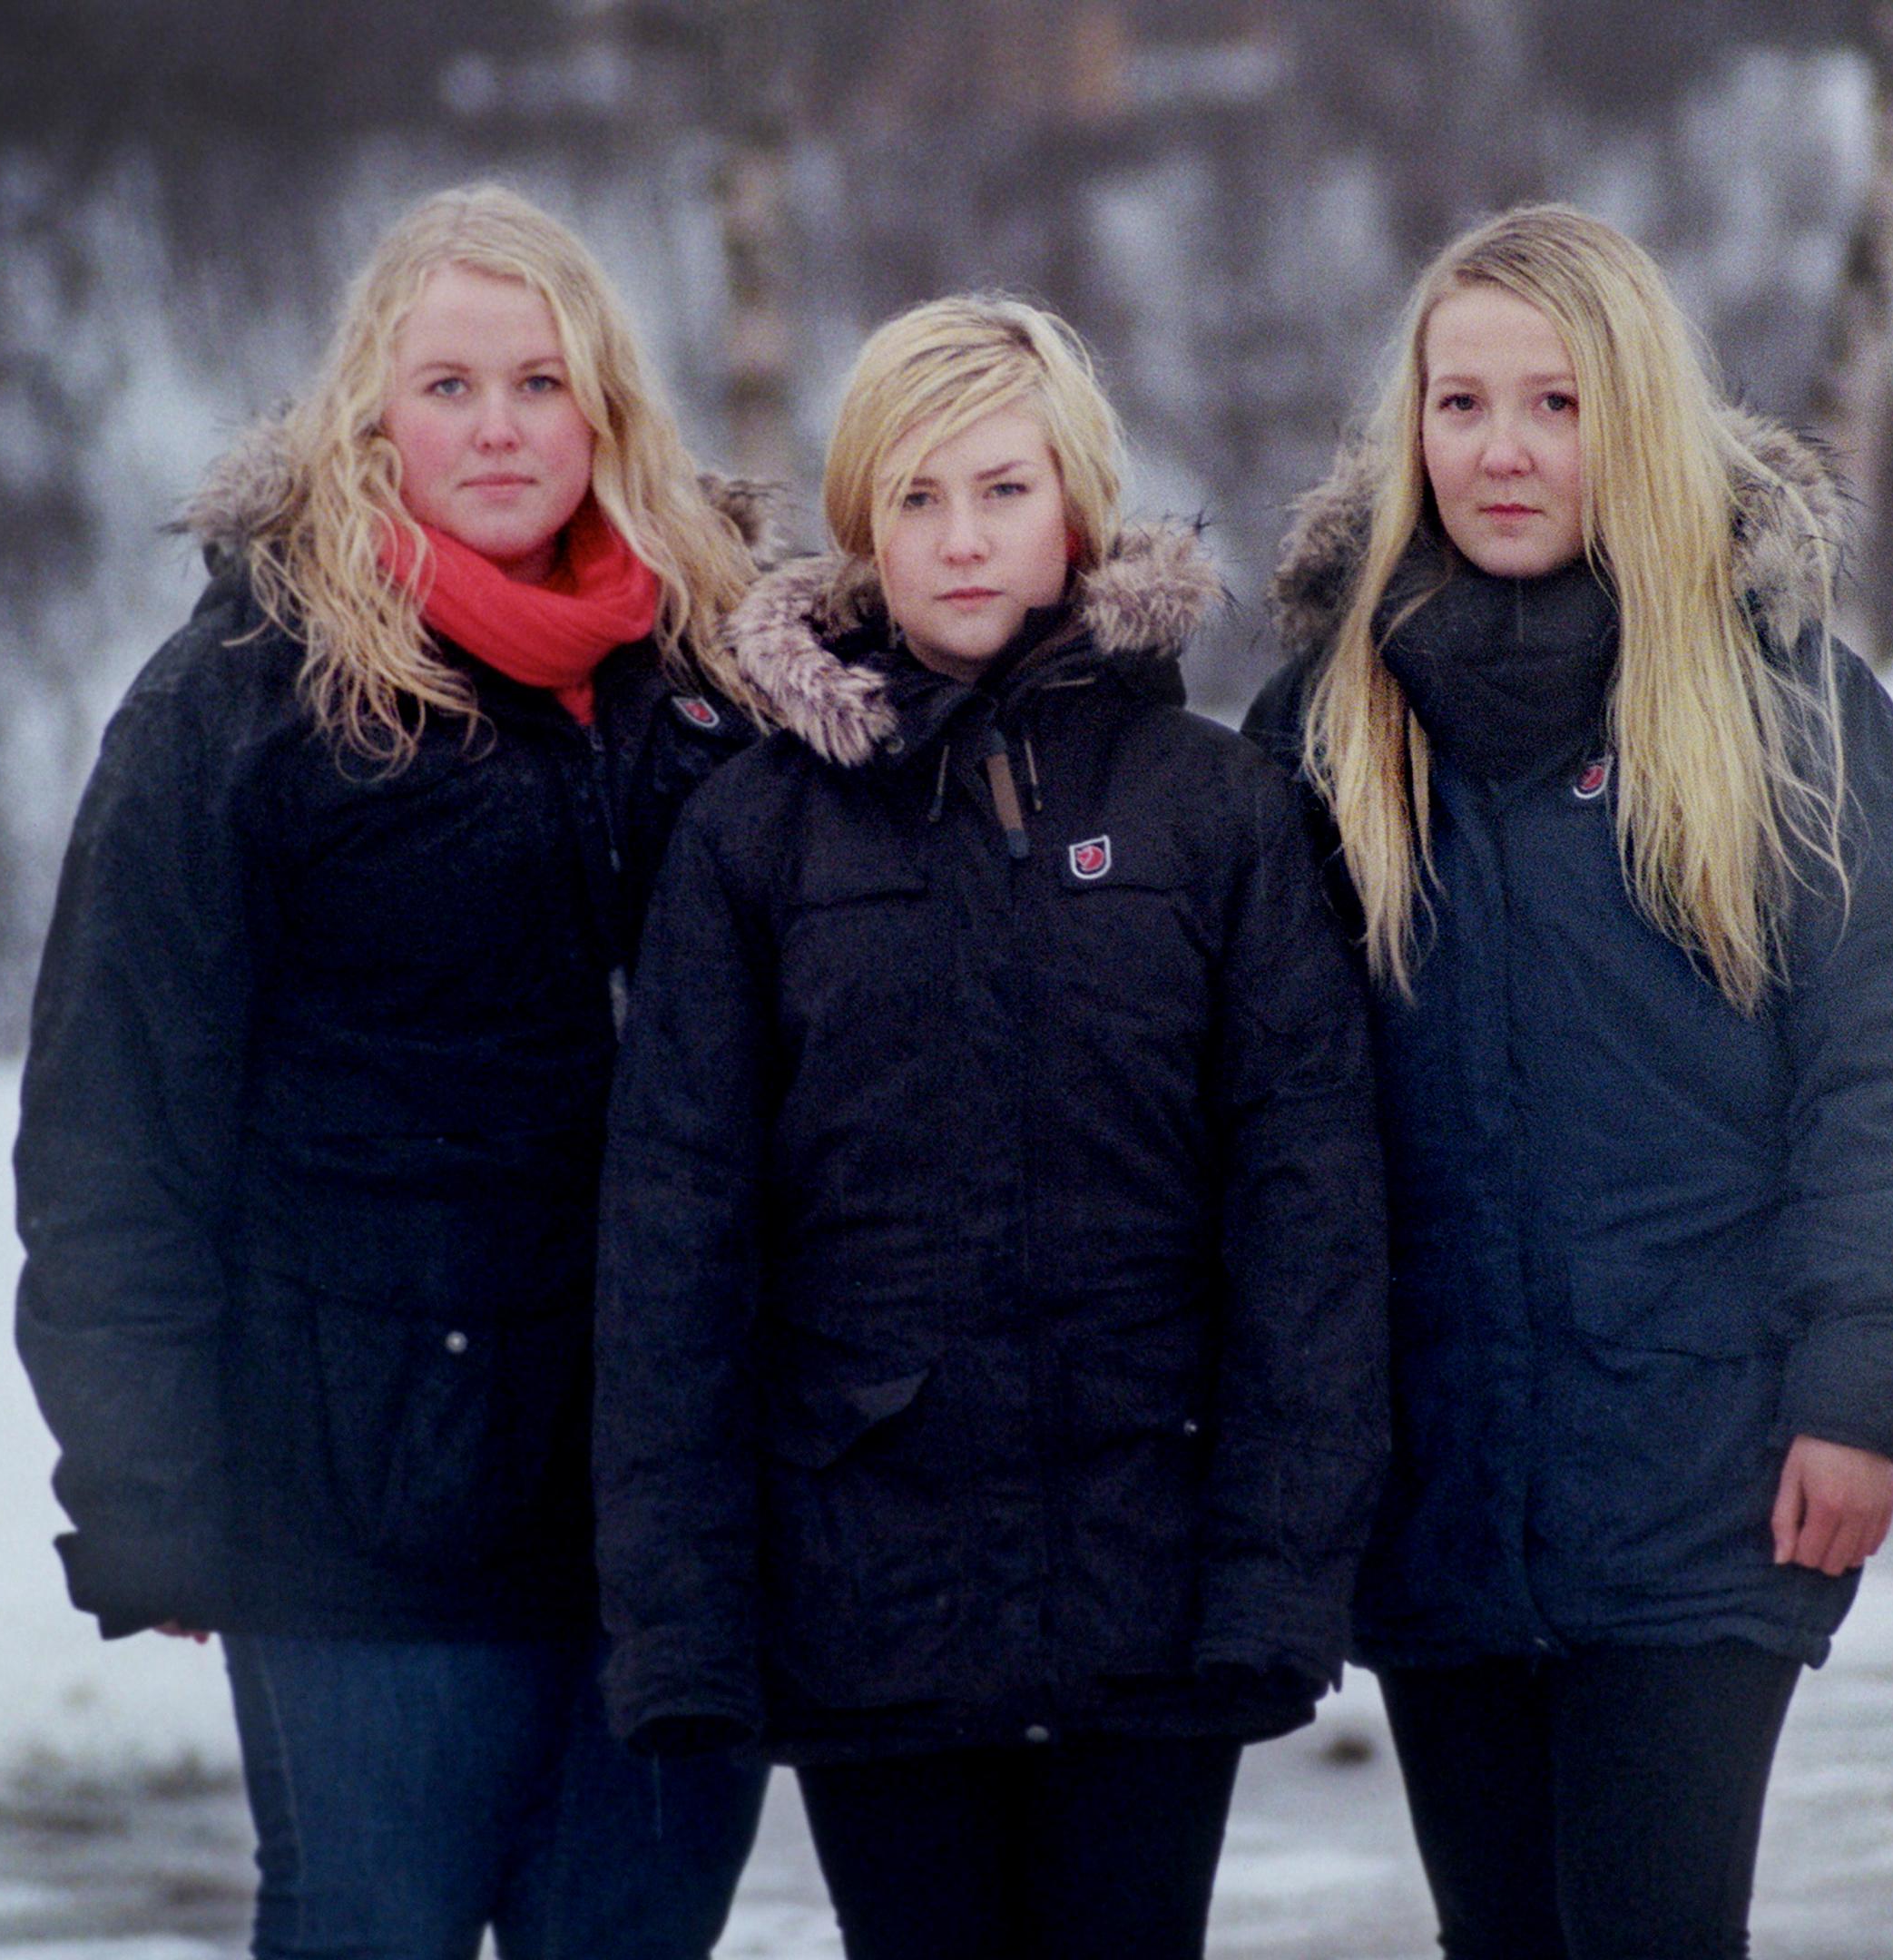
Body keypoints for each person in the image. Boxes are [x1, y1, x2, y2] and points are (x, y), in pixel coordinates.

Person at [12, 183, 776, 1960]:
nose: (499, 426)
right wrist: (143, 1491)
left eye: (539, 382)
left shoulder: (721, 673)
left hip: (673, 1509)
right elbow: (115, 1122)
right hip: (362, 1508)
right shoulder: (245, 697)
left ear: (605, 406)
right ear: (371, 413)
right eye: (449, 386)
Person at [593, 296, 1390, 1960]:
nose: (962, 539)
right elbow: (676, 1243)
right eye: (917, 497)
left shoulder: (1216, 809)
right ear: (863, 530)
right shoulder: (753, 836)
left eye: (1004, 490)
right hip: (868, 1597)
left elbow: (1307, 1211)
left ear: (1077, 508)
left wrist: (1276, 1577)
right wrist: (681, 1623)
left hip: (1149, 1584)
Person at [1243, 205, 1893, 1959]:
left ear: (1637, 416)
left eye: (1557, 404)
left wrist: (1853, 1388)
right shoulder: (1324, 730)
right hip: (1433, 1490)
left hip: (1705, 1471)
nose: (1502, 451)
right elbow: (1264, 1125)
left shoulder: (1788, 712)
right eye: (1461, 404)